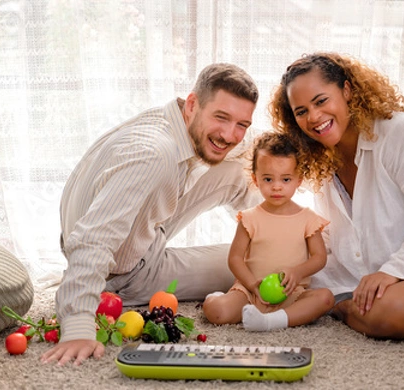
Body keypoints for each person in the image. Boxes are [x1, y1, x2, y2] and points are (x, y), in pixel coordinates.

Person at [41, 63, 260, 366]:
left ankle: (274, 231)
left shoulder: (171, 119)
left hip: (139, 229)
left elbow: (246, 144)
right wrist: (78, 324)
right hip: (122, 274)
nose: (230, 134)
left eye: (241, 124)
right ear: (193, 104)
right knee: (252, 265)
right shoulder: (154, 154)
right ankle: (273, 252)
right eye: (221, 117)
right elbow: (94, 238)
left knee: (241, 172)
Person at [269, 52, 404, 339]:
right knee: (270, 275)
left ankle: (341, 308)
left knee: (390, 313)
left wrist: (391, 272)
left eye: (321, 101)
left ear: (347, 90)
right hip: (357, 276)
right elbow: (332, 236)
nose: (314, 117)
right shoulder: (319, 159)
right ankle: (344, 301)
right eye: (301, 111)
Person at [202, 132, 334, 331]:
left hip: (291, 294)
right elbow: (235, 258)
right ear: (256, 180)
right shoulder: (249, 218)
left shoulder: (308, 219)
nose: (277, 187)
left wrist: (297, 273)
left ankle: (274, 321)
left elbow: (319, 257)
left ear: (299, 180)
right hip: (250, 294)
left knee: (325, 299)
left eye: (286, 179)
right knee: (217, 312)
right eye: (268, 179)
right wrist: (251, 284)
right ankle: (216, 298)